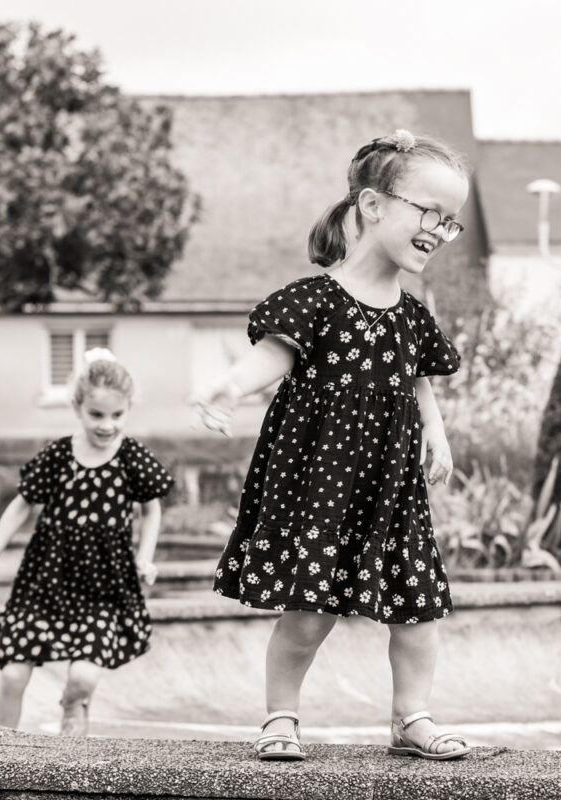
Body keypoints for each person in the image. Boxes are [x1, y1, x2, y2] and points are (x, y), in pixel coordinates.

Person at [197, 129, 471, 762]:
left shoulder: (411, 315)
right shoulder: (314, 301)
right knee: (308, 615)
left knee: (418, 613)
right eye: (430, 212)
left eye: (450, 221)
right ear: (373, 205)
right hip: (321, 487)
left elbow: (419, 382)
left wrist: (436, 433)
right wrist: (230, 387)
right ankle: (280, 718)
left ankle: (412, 717)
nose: (439, 230)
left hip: (391, 489)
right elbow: (270, 359)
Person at [0, 348, 173, 736]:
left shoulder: (131, 457)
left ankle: (72, 710)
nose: (107, 425)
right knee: (12, 675)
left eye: (117, 415)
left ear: (129, 408)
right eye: (97, 415)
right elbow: (20, 506)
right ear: (77, 407)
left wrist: (145, 558)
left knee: (83, 678)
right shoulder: (59, 455)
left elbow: (152, 509)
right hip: (45, 583)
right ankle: (1, 745)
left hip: (102, 588)